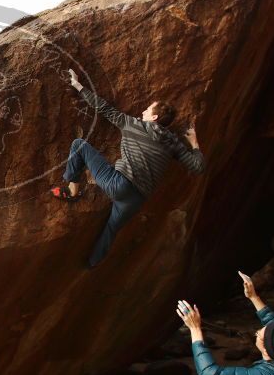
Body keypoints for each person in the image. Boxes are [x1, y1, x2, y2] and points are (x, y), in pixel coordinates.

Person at [52, 69, 206, 267]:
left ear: (154, 118)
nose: (143, 111)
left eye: (148, 110)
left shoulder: (132, 125)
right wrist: (194, 143)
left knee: (78, 145)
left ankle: (72, 191)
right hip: (137, 199)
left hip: (119, 184)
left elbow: (104, 108)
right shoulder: (173, 144)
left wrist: (78, 85)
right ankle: (91, 263)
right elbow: (198, 166)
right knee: (111, 230)